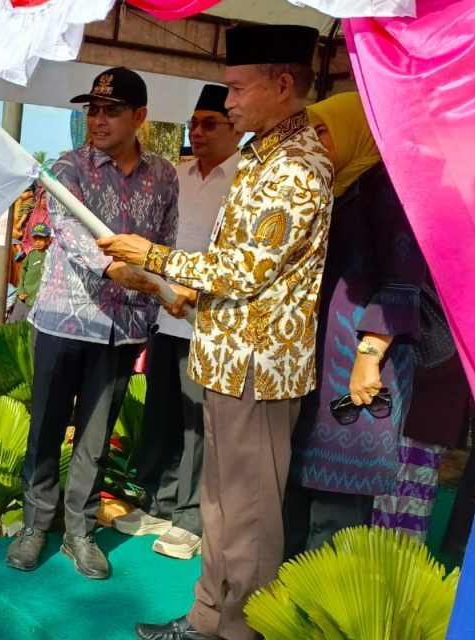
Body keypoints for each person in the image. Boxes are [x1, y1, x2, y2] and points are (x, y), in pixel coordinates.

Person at [101, 26, 334, 640]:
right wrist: (174, 294)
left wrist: (153, 257)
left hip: (258, 367)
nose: (226, 102)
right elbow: (243, 268)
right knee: (221, 508)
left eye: (235, 88)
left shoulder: (297, 167)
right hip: (230, 357)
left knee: (250, 518)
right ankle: (207, 620)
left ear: (283, 84)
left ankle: (238, 631)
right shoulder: (267, 157)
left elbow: (245, 269)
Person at [5, 67, 178, 582]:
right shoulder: (68, 168)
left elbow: (166, 241)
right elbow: (69, 232)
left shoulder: (163, 176)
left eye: (111, 110)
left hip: (121, 328)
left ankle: (78, 532)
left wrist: (157, 292)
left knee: (95, 438)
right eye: (92, 110)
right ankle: (36, 524)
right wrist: (118, 269)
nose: (98, 120)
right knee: (46, 428)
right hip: (64, 318)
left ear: (139, 116)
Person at [281, 92, 428, 556]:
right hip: (321, 365)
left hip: (361, 366)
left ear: (355, 129)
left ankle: (316, 623)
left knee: (337, 511)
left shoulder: (388, 184)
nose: (316, 141)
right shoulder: (337, 185)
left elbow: (404, 276)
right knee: (299, 500)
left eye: (323, 130)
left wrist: (368, 358)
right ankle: (280, 617)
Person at [114, 85, 242, 562]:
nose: (198, 132)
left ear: (235, 128)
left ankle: (190, 519)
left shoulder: (245, 180)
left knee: (196, 425)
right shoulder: (177, 175)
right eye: (194, 123)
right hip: (162, 316)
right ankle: (158, 504)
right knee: (161, 414)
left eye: (210, 123)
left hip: (208, 322)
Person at [6, 222, 50, 323]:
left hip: (37, 296)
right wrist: (20, 290)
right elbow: (23, 273)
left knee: (30, 325)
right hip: (24, 295)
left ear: (48, 239)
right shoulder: (31, 254)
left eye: (41, 238)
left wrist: (43, 292)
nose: (38, 242)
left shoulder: (50, 255)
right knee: (14, 322)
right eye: (35, 238)